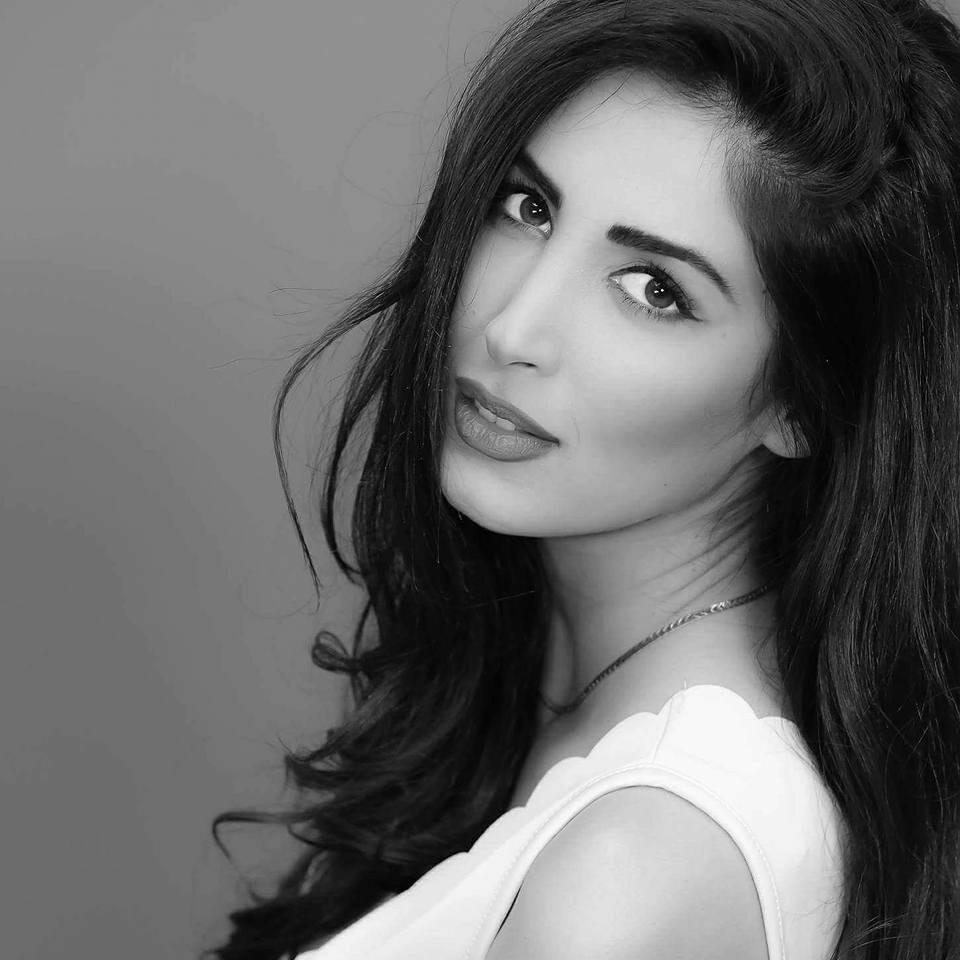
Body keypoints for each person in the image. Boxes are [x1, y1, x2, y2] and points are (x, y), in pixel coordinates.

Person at [203, 0, 960, 958]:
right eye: (529, 208)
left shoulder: (633, 868)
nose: (512, 329)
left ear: (803, 402)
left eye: (654, 289)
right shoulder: (577, 720)